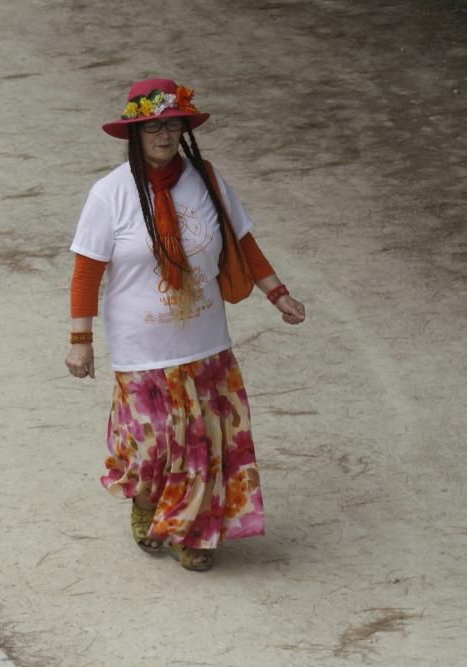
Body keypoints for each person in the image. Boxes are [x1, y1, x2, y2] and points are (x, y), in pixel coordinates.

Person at [65, 78, 305, 572]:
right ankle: (147, 499)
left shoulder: (207, 180)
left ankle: (191, 534)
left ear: (183, 130)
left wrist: (278, 294)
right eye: (152, 126)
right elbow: (87, 270)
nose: (163, 134)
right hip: (141, 346)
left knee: (202, 444)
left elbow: (245, 246)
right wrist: (80, 341)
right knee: (153, 442)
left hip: (204, 341)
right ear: (135, 133)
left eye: (172, 124)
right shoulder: (109, 194)